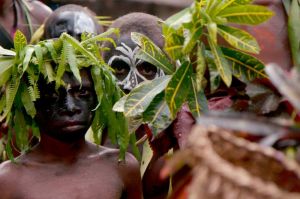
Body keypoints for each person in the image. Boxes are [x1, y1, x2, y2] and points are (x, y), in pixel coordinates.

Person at [0, 65, 142, 198]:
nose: (71, 107)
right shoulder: (8, 179)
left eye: (82, 92)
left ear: (97, 97)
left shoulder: (122, 166)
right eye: (53, 95)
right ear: (29, 105)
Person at [102, 12, 195, 199]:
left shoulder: (185, 140)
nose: (130, 85)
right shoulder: (86, 131)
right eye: (119, 69)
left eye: (147, 69)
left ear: (172, 74)